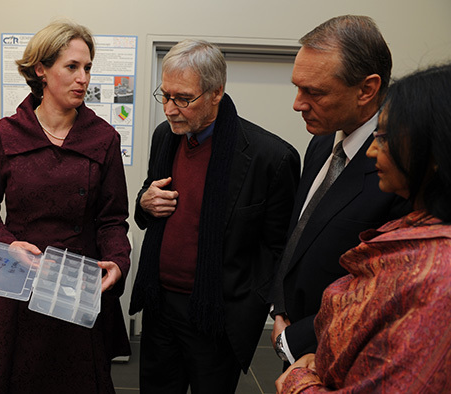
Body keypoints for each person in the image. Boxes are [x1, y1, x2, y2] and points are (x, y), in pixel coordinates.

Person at [0, 20, 131, 393]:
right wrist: (9, 242)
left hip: (74, 286)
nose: (83, 78)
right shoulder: (2, 135)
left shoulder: (103, 138)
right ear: (41, 69)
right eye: (72, 67)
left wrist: (119, 262)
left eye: (87, 68)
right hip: (16, 285)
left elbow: (112, 219)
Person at [129, 39, 300, 393]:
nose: (170, 109)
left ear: (216, 92)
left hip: (217, 315)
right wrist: (144, 203)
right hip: (160, 306)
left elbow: (277, 249)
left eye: (184, 99)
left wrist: (252, 305)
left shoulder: (271, 157)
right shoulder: (166, 137)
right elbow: (149, 204)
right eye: (166, 95)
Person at [276, 63, 451, 393]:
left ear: (433, 151)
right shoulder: (414, 229)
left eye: (384, 138)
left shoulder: (439, 277)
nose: (372, 150)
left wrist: (299, 381)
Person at [269, 15, 410, 365]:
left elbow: (382, 290)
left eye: (314, 92)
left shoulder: (399, 170)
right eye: (297, 87)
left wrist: (295, 337)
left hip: (343, 354)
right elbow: (301, 235)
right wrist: (280, 308)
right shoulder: (321, 143)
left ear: (366, 89)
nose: (298, 103)